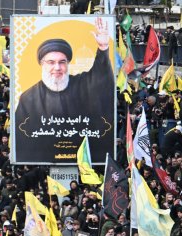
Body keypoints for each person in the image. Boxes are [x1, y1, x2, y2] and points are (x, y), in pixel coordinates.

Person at [13, 17, 115, 163]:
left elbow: (100, 78)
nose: (57, 68)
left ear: (68, 64)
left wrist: (103, 47)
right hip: (45, 162)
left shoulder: (81, 84)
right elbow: (22, 140)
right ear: (41, 64)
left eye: (62, 62)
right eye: (51, 62)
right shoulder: (28, 98)